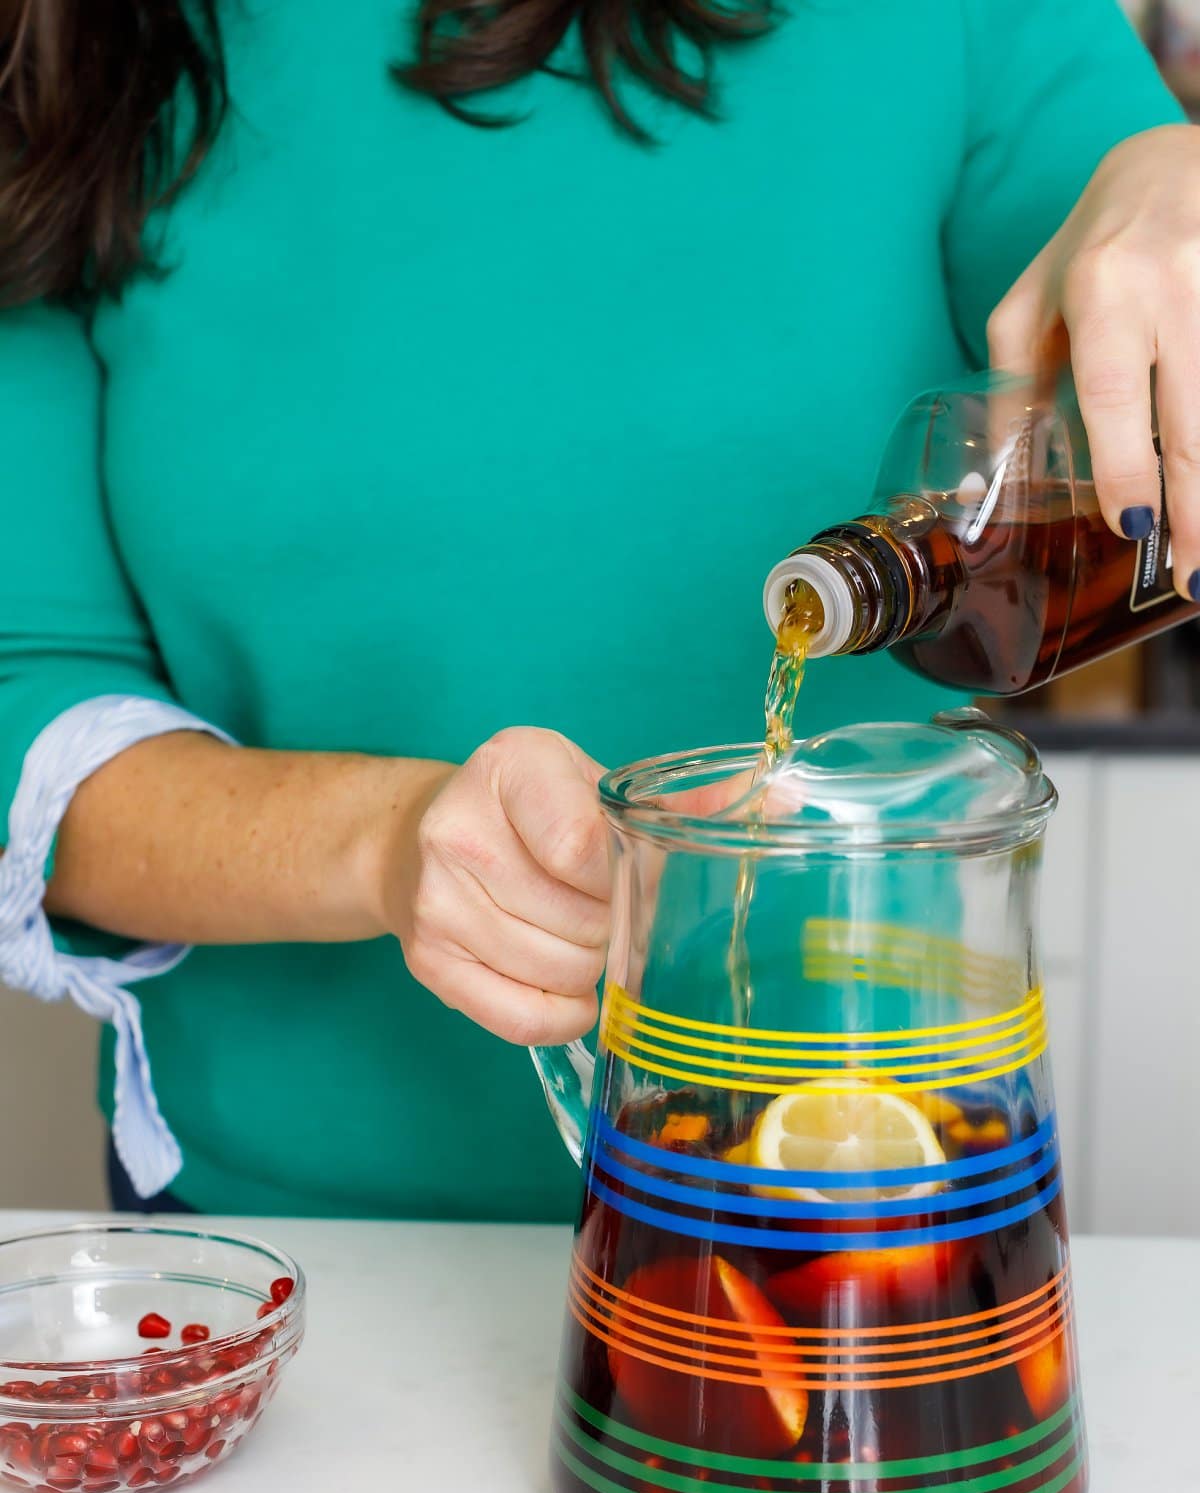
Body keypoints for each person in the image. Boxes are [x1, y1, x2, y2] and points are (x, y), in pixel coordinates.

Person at [0, 0, 1190, 1220]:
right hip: (292, 1241)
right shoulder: (93, 45)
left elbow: (1145, 336)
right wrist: (384, 840)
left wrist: (1174, 173)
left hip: (852, 1172)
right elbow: (27, 697)